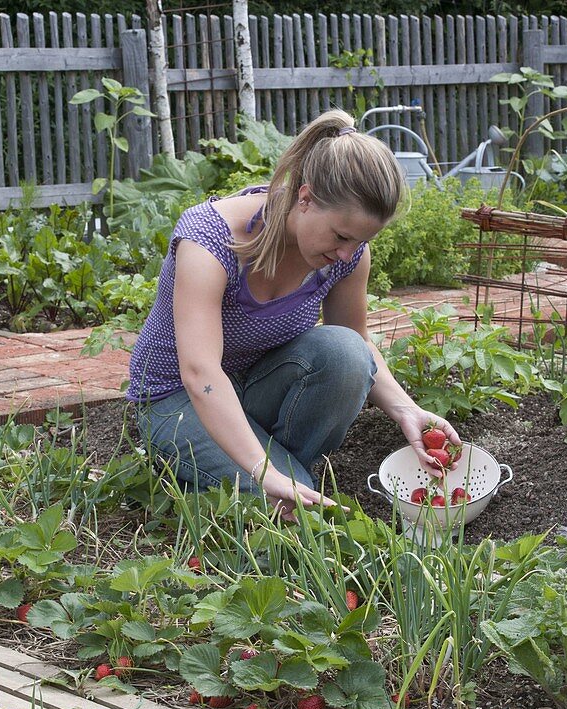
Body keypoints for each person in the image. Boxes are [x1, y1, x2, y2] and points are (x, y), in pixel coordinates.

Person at [127, 108, 460, 520]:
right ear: (305, 198)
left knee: (345, 353)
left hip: (257, 390)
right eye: (341, 236)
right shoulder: (209, 241)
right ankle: (257, 479)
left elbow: (357, 344)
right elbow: (200, 373)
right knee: (304, 517)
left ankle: (268, 482)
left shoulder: (347, 255)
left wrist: (408, 410)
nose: (346, 253)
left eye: (359, 242)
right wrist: (262, 468)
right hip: (176, 400)